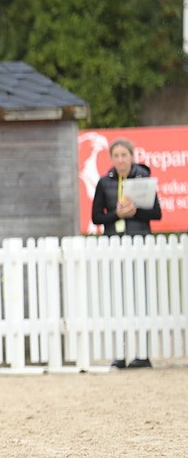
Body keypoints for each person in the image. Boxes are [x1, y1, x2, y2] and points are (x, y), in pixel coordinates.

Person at [91, 138, 162, 369]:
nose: (121, 160)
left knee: (141, 297)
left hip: (139, 243)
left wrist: (134, 212)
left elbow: (156, 213)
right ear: (111, 159)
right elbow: (97, 217)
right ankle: (120, 354)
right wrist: (116, 215)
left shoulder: (143, 179)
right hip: (115, 246)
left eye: (124, 155)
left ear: (132, 156)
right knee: (118, 299)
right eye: (116, 156)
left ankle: (143, 353)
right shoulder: (104, 183)